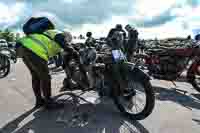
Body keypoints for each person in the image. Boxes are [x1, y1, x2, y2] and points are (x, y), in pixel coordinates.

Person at [16, 17, 78, 109]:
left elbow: (63, 54)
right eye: (68, 40)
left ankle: (39, 101)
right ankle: (49, 102)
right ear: (66, 37)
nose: (67, 42)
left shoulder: (47, 34)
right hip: (33, 50)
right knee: (45, 77)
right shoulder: (58, 34)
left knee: (36, 76)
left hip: (22, 48)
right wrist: (76, 54)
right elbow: (68, 48)